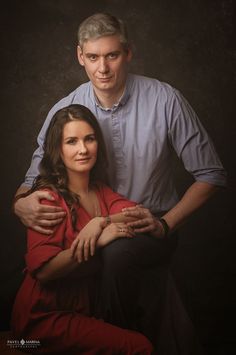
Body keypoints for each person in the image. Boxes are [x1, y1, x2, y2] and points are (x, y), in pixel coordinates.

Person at [13, 13, 226, 354]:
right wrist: (18, 201)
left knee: (117, 251)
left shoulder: (165, 99)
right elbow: (30, 183)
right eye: (93, 57)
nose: (103, 68)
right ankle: (116, 341)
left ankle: (122, 342)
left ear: (128, 52)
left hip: (151, 224)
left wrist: (165, 224)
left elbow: (212, 175)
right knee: (104, 253)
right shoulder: (67, 109)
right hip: (91, 227)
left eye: (112, 55)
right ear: (80, 56)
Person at [11, 104, 154, 354]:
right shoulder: (47, 200)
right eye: (72, 141)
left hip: (84, 308)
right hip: (42, 319)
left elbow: (139, 215)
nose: (83, 149)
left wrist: (100, 223)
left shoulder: (100, 191)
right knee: (139, 347)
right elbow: (44, 271)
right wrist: (96, 241)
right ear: (58, 149)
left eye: (89, 139)